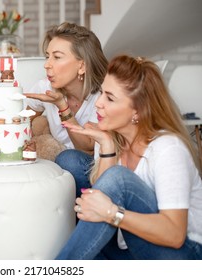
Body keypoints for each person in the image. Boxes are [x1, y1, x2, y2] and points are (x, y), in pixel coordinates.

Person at [56, 55, 202, 260]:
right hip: (130, 242)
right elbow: (99, 202)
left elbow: (175, 234)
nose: (98, 103)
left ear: (138, 111)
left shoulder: (167, 148)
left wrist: (111, 213)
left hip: (184, 252)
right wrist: (106, 145)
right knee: (70, 160)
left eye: (110, 97)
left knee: (119, 179)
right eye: (101, 93)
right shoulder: (113, 138)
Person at [23, 22, 107, 196]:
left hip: (91, 169)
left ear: (81, 66)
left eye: (57, 57)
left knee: (69, 159)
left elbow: (87, 149)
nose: (47, 64)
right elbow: (22, 121)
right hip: (59, 173)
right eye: (47, 56)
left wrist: (62, 105)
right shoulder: (44, 88)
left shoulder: (101, 96)